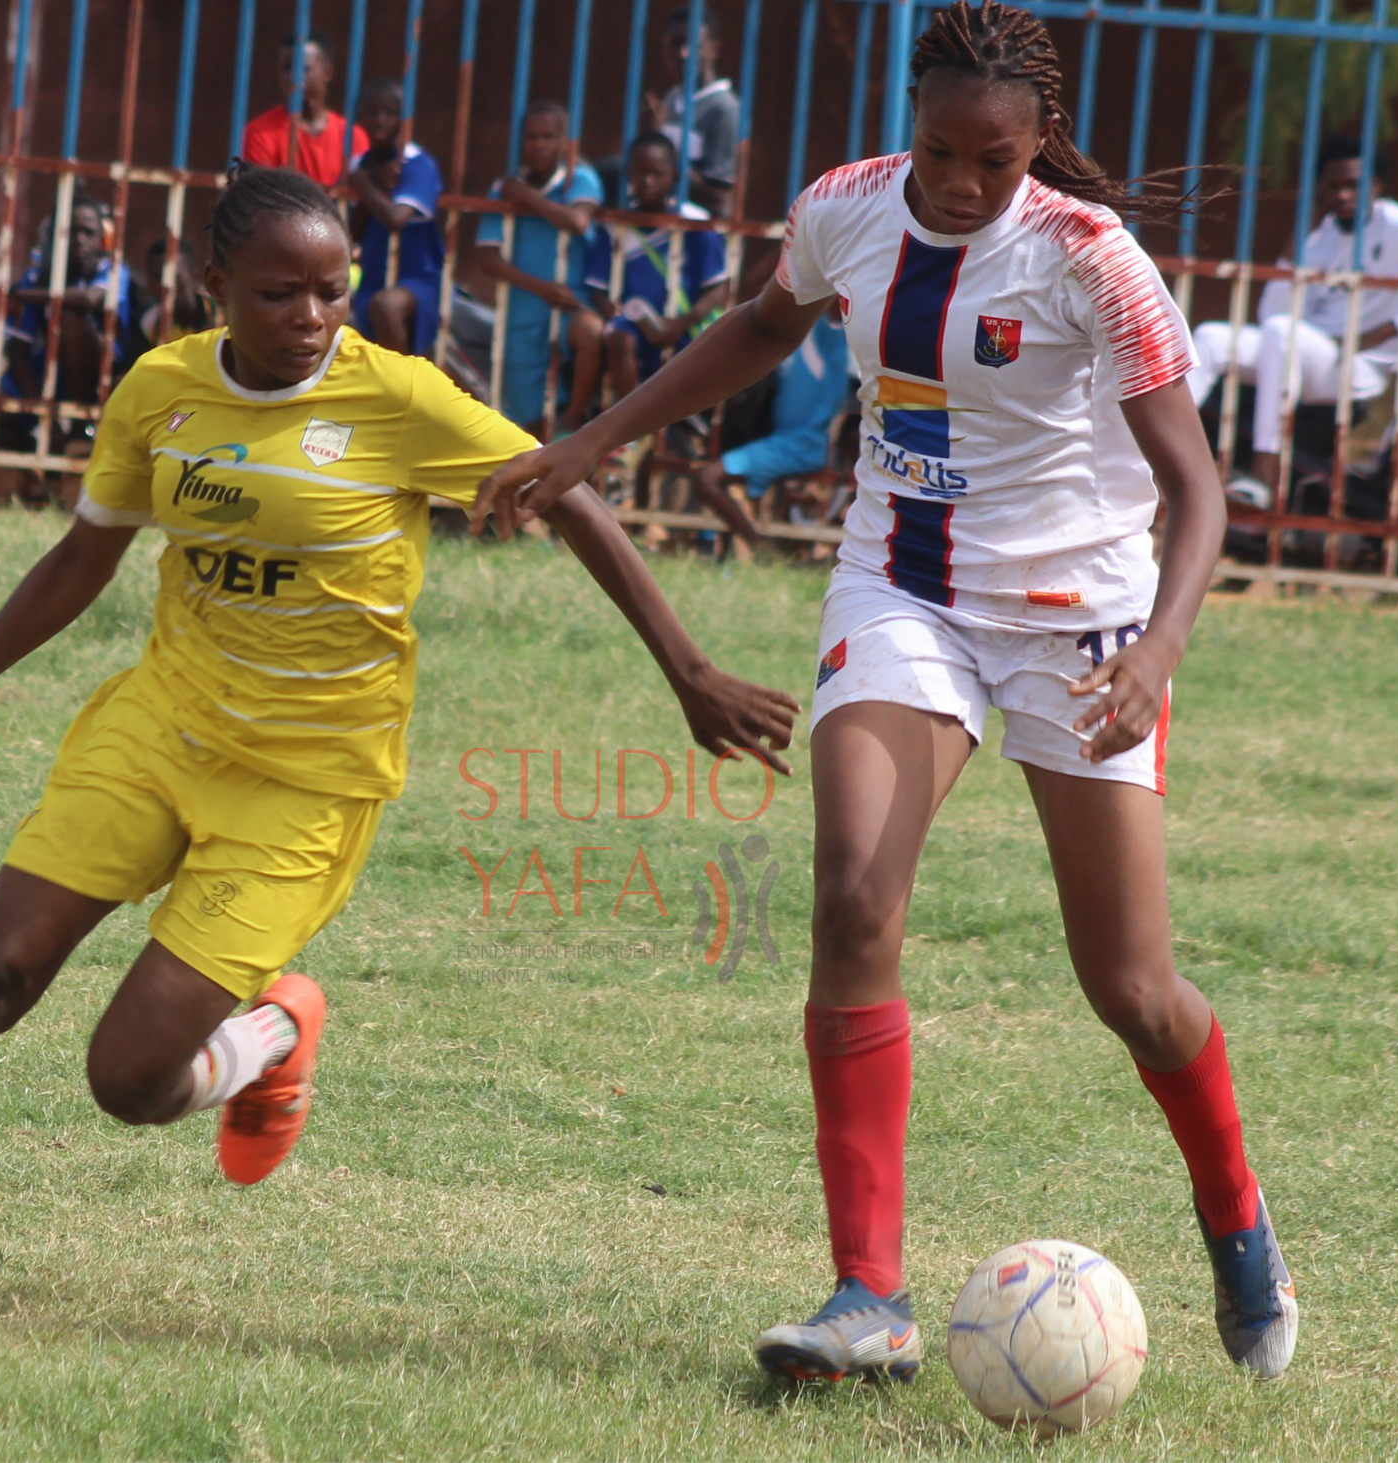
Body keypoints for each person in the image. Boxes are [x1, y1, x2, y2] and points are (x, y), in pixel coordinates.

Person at [0, 168, 797, 1301]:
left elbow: (569, 496)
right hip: (159, 729)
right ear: (213, 290)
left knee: (129, 1078)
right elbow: (81, 558)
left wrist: (689, 672)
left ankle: (273, 1040)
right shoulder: (161, 390)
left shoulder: (395, 399)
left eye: (331, 291)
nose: (309, 318)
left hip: (308, 779)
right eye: (277, 294)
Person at [476, 0, 1298, 1387]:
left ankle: (1235, 1210)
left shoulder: (1093, 258)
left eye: (994, 158)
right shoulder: (848, 208)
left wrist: (1153, 653)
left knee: (1134, 987)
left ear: (1041, 143)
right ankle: (870, 1293)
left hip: (1078, 626)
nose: (964, 183)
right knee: (855, 894)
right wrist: (591, 443)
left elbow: (1196, 487)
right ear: (908, 130)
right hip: (901, 589)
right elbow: (755, 326)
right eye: (941, 152)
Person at [1186, 136, 1398, 491]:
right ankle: (1164, 452)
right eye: (1333, 187)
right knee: (1212, 337)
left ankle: (1265, 469)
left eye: (1353, 185)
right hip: (1298, 352)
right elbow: (1272, 313)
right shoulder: (1319, 238)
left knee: (1281, 332)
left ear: (1376, 186)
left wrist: (1391, 328)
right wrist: (1297, 243)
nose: (1342, 195)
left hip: (1355, 364)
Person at [564, 132, 728, 430]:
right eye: (641, 173)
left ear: (675, 176)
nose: (648, 181)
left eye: (657, 173)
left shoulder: (695, 222)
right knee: (618, 339)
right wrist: (606, 307)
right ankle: (634, 428)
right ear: (629, 174)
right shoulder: (615, 225)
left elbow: (716, 288)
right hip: (633, 325)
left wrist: (679, 323)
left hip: (684, 326)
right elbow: (599, 288)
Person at [474, 100, 603, 431]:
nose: (540, 144)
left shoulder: (580, 179)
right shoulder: (503, 187)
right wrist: (540, 288)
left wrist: (527, 197)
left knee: (591, 332)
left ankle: (574, 417)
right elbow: (487, 257)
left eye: (548, 136)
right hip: (523, 311)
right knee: (526, 417)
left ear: (564, 142)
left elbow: (577, 221)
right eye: (532, 137)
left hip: (571, 305)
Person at [691, 304, 852, 551]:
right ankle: (751, 546)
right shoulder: (803, 332)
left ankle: (760, 549)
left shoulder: (827, 333)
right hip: (785, 441)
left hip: (800, 446)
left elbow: (833, 304)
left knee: (707, 478)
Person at [2, 194, 140, 407]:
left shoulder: (112, 270)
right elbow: (19, 351)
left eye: (88, 232)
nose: (79, 239)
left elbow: (88, 299)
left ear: (102, 238)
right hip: (48, 374)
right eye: (71, 231)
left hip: (105, 372)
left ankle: (79, 419)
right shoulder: (35, 278)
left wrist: (22, 295)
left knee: (68, 317)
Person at [346, 78, 445, 357]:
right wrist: (369, 182)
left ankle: (401, 387)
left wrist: (362, 184)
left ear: (404, 118)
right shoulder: (361, 164)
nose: (380, 120)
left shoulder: (418, 163)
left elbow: (396, 219)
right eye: (371, 112)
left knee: (386, 307)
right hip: (373, 277)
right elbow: (352, 234)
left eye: (389, 113)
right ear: (359, 118)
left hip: (418, 279)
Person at [641, 7, 740, 217]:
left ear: (714, 49)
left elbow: (719, 201)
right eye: (675, 44)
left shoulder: (723, 109)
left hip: (699, 233)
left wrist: (662, 149)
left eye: (694, 45)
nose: (683, 53)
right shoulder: (672, 97)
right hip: (667, 227)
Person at [239, 36, 370, 187]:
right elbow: (261, 197)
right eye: (287, 68)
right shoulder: (259, 132)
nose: (292, 77)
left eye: (303, 68)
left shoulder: (353, 136)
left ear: (327, 72)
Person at [138, 235, 214, 350]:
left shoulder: (219, 314)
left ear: (195, 275)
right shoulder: (148, 320)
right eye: (156, 277)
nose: (164, 286)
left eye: (173, 277)